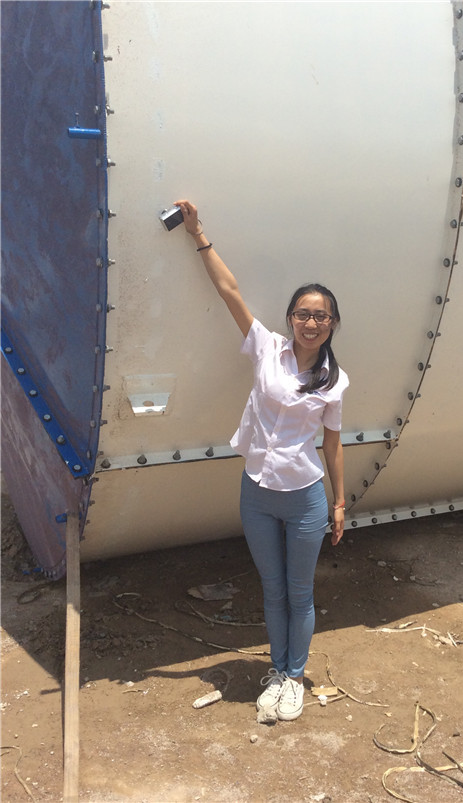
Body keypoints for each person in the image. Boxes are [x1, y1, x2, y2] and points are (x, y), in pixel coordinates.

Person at [175, 200, 349, 721]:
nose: (310, 323)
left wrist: (339, 503)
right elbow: (229, 291)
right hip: (256, 492)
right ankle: (277, 670)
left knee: (299, 592)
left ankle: (294, 677)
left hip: (304, 499)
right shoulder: (267, 348)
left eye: (320, 316)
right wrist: (198, 234)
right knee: (272, 591)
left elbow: (333, 444)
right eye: (303, 314)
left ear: (333, 323)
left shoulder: (334, 381)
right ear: (290, 318)